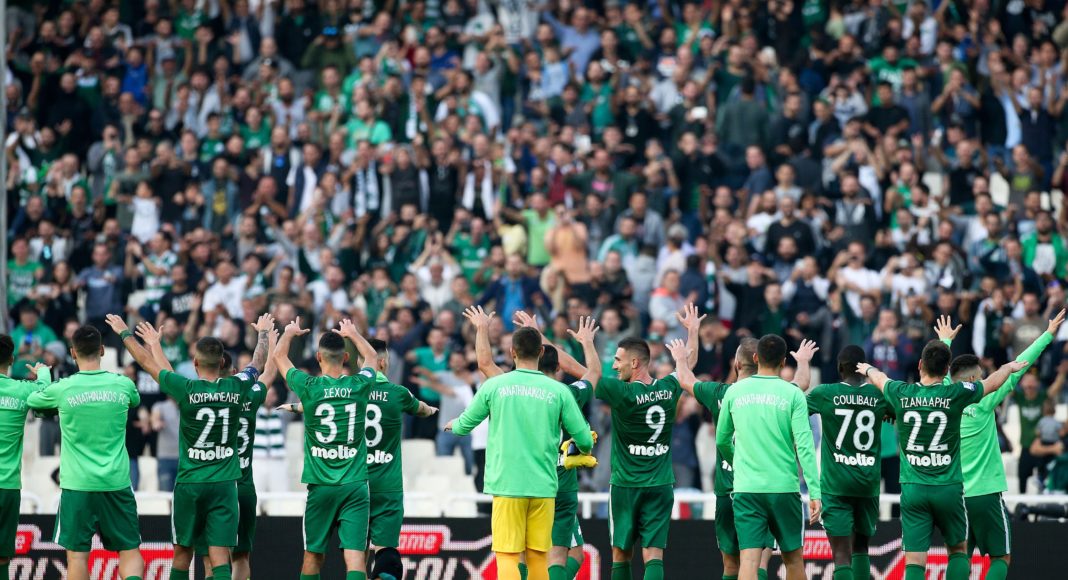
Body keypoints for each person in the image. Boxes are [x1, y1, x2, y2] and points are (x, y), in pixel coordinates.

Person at [109, 313, 273, 580]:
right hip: (224, 484)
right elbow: (258, 362)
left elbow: (149, 365)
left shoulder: (186, 389)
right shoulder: (237, 386)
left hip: (190, 483)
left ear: (195, 363)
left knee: (182, 556)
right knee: (220, 558)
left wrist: (126, 333)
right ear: (222, 362)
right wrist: (264, 333)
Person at [857, 341, 1028, 580]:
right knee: (958, 551)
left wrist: (867, 369)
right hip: (948, 488)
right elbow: (992, 383)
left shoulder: (901, 392)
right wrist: (1008, 367)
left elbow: (880, 379)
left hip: (914, 488)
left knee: (914, 560)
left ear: (919, 365)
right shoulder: (955, 393)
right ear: (947, 370)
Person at [280, 337, 438, 579]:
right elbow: (422, 410)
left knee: (334, 554)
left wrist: (295, 407)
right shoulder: (394, 393)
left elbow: (318, 398)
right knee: (381, 553)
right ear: (382, 363)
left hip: (346, 480)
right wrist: (431, 410)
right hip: (377, 485)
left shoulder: (349, 389)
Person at [445, 325, 593, 580]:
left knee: (509, 556)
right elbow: (584, 439)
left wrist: (454, 425)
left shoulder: (495, 386)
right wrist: (581, 450)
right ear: (541, 352)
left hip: (507, 484)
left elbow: (465, 424)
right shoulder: (559, 391)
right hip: (544, 486)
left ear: (512, 352)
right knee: (538, 556)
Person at [942, 310, 1065, 580]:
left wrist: (945, 342)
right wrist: (1047, 335)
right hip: (986, 493)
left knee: (958, 556)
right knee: (1001, 558)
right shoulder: (983, 401)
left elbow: (937, 371)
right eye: (981, 377)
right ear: (973, 381)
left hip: (954, 496)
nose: (985, 380)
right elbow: (1019, 366)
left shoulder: (943, 399)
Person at [26, 325, 145, 580]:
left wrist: (44, 375)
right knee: (129, 551)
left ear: (72, 353)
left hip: (78, 485)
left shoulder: (63, 388)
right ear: (102, 350)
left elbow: (34, 400)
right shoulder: (122, 384)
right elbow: (135, 400)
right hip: (116, 482)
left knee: (77, 557)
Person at [595, 303, 703, 580]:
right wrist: (693, 332)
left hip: (625, 485)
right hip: (660, 484)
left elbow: (586, 374)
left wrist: (549, 343)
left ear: (634, 363)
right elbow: (688, 366)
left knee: (621, 554)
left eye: (618, 360)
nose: (614, 365)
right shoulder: (667, 388)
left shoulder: (621, 392)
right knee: (654, 555)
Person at [274, 317, 380, 580]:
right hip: (355, 485)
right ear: (346, 357)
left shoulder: (308, 386)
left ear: (318, 357)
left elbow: (279, 356)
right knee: (355, 558)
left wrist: (289, 333)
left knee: (313, 556)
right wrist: (353, 333)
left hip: (320, 485)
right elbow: (372, 358)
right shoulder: (359, 385)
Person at [715, 334, 821, 580]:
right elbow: (805, 447)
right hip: (784, 488)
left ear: (755, 358)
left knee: (749, 561)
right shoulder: (793, 394)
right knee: (793, 560)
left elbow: (721, 440)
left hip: (747, 488)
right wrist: (815, 491)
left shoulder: (734, 392)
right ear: (783, 361)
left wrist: (738, 463)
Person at [692, 338, 779, 580]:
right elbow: (800, 384)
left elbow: (685, 380)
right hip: (759, 487)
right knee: (759, 564)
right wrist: (803, 362)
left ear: (737, 365)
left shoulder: (720, 393)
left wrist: (689, 342)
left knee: (731, 566)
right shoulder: (775, 394)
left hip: (727, 489)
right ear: (760, 362)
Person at [807, 345, 893, 580]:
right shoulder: (879, 395)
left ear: (839, 368)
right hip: (867, 483)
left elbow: (797, 410)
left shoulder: (825, 393)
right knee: (861, 548)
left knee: (841, 554)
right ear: (863, 369)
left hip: (836, 484)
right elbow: (898, 412)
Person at [0, 335, 51, 580]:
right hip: (7, 486)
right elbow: (46, 392)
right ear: (11, 359)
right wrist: (43, 372)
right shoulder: (22, 390)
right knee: (2, 557)